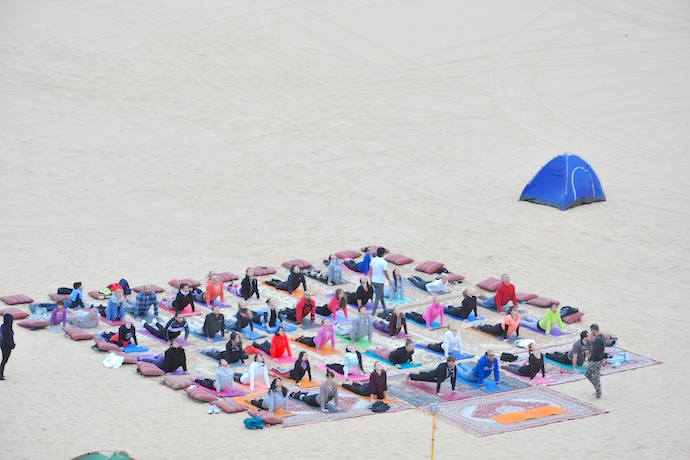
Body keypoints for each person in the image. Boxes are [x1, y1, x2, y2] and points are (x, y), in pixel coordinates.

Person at [369, 247, 390, 317]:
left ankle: (385, 309)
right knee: (377, 298)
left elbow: (370, 270)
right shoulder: (383, 262)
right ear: (383, 254)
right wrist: (389, 279)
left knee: (381, 296)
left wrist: (371, 278)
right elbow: (385, 272)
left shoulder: (373, 260)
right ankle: (373, 312)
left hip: (373, 280)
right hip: (380, 282)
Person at [586, 324, 606, 398]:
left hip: (596, 361)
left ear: (594, 330)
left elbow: (595, 352)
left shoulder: (597, 340)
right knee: (595, 376)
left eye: (591, 331)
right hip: (600, 359)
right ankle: (598, 390)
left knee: (589, 375)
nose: (591, 332)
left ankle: (598, 391)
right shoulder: (602, 337)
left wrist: (589, 359)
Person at [0, 313, 15, 380]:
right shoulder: (8, 329)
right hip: (6, 346)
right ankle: (0, 375)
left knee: (4, 360)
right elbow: (8, 339)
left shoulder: (3, 326)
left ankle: (1, 374)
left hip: (2, 345)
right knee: (4, 360)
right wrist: (12, 345)